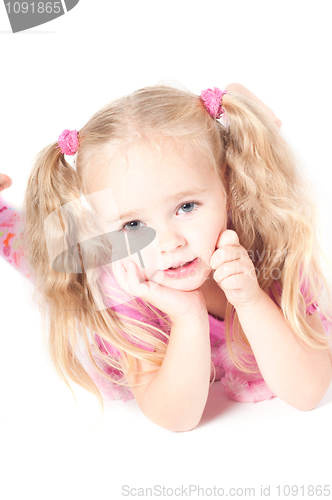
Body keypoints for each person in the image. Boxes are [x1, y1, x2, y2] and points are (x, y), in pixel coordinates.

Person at [1, 82, 332, 432]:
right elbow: (177, 419)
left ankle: (257, 121)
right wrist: (188, 318)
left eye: (186, 207)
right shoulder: (122, 280)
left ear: (226, 185)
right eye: (133, 223)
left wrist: (249, 299)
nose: (169, 243)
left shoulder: (270, 245)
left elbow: (308, 393)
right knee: (40, 254)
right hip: (103, 260)